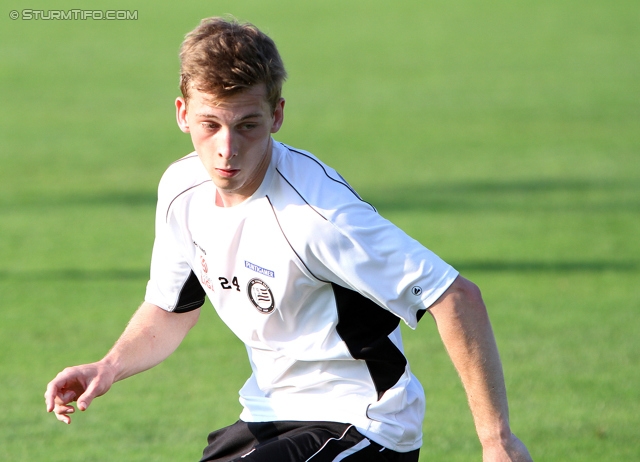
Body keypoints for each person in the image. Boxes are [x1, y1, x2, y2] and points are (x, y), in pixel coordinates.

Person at [45, 17, 533, 462]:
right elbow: (172, 310)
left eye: (248, 126)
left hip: (363, 421)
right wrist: (107, 367)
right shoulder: (180, 190)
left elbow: (455, 296)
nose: (227, 149)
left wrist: (497, 442)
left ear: (277, 115)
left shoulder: (319, 215)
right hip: (268, 413)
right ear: (182, 113)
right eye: (210, 125)